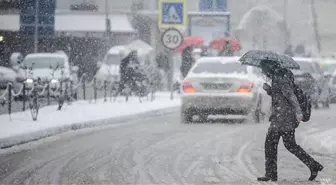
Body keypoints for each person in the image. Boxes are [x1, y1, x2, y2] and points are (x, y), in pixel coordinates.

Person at [257, 60, 324, 182]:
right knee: (290, 145)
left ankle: (271, 174)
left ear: (269, 67)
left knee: (271, 144)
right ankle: (313, 165)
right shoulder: (279, 76)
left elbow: (290, 96)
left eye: (263, 68)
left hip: (283, 118)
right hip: (283, 117)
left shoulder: (280, 78)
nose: (263, 71)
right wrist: (269, 90)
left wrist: (298, 112)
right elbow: (280, 95)